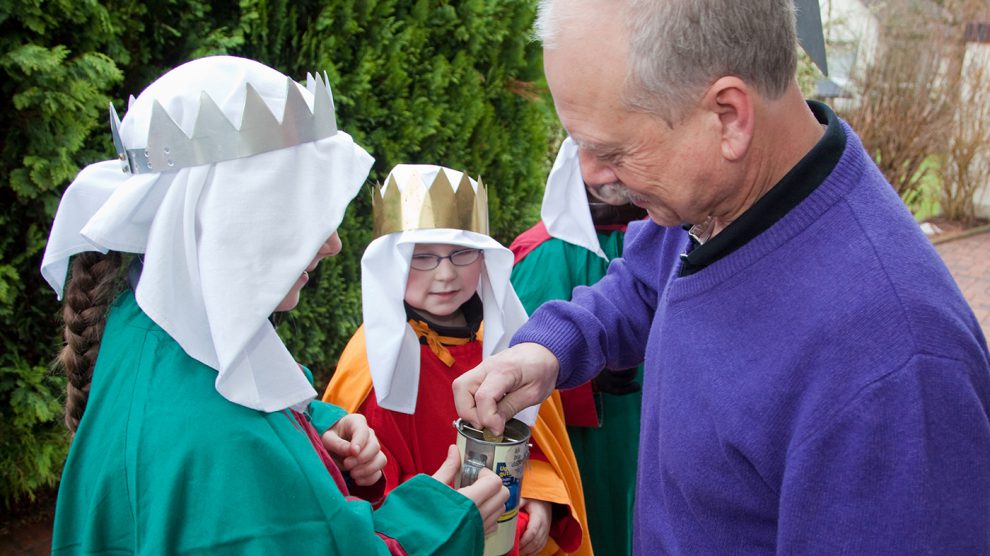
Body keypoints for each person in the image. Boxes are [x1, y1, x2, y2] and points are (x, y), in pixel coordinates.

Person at [452, 1, 990, 554]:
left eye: (612, 149)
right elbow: (643, 283)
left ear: (729, 116)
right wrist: (552, 349)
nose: (588, 173)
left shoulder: (894, 370)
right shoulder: (715, 194)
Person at [41, 55, 508, 555]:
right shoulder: (223, 441)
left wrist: (313, 431)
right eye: (301, 215)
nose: (332, 244)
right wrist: (444, 520)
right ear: (227, 217)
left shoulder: (148, 328)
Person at [323, 164, 592, 556]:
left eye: (462, 254)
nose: (446, 274)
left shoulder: (509, 348)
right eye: (423, 257)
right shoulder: (376, 361)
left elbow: (537, 445)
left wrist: (538, 495)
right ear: (391, 264)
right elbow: (370, 487)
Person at [509, 137, 645, 556]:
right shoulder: (543, 253)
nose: (611, 174)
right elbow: (518, 354)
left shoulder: (671, 239)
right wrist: (588, 378)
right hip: (588, 444)